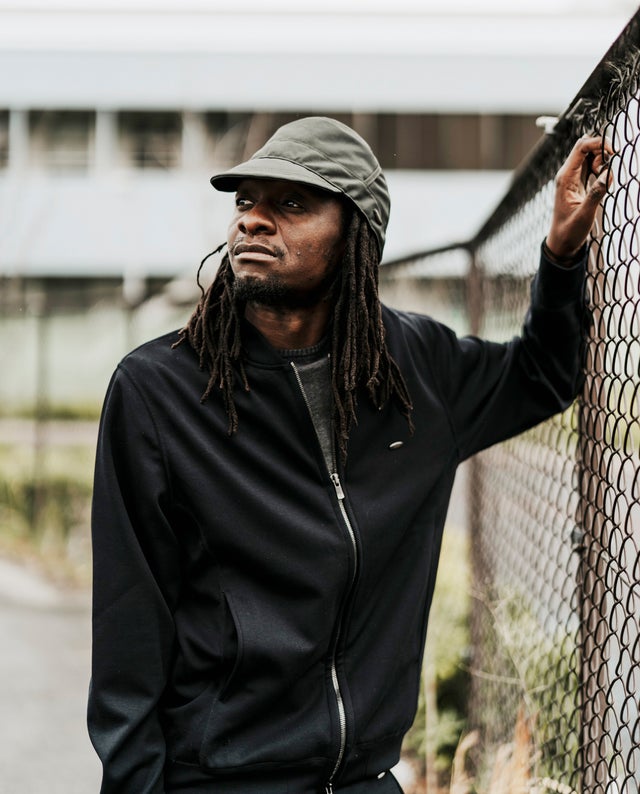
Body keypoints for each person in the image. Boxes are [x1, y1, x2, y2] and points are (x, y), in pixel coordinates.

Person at [88, 116, 612, 794]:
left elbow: (542, 375)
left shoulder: (417, 368)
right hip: (220, 779)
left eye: (291, 203)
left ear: (356, 232)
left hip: (363, 779)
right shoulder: (159, 391)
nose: (252, 220)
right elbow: (129, 628)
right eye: (246, 201)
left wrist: (563, 253)